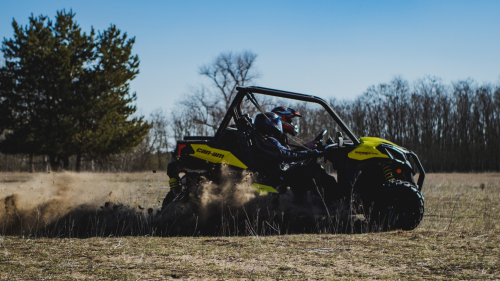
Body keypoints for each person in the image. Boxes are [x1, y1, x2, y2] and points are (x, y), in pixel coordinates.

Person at [253, 112, 339, 197]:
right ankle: (336, 200)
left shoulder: (262, 139)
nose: (277, 125)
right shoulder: (269, 140)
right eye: (275, 122)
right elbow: (286, 155)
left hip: (281, 173)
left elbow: (286, 153)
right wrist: (311, 153)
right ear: (267, 123)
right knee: (315, 168)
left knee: (312, 168)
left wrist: (305, 148)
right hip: (282, 176)